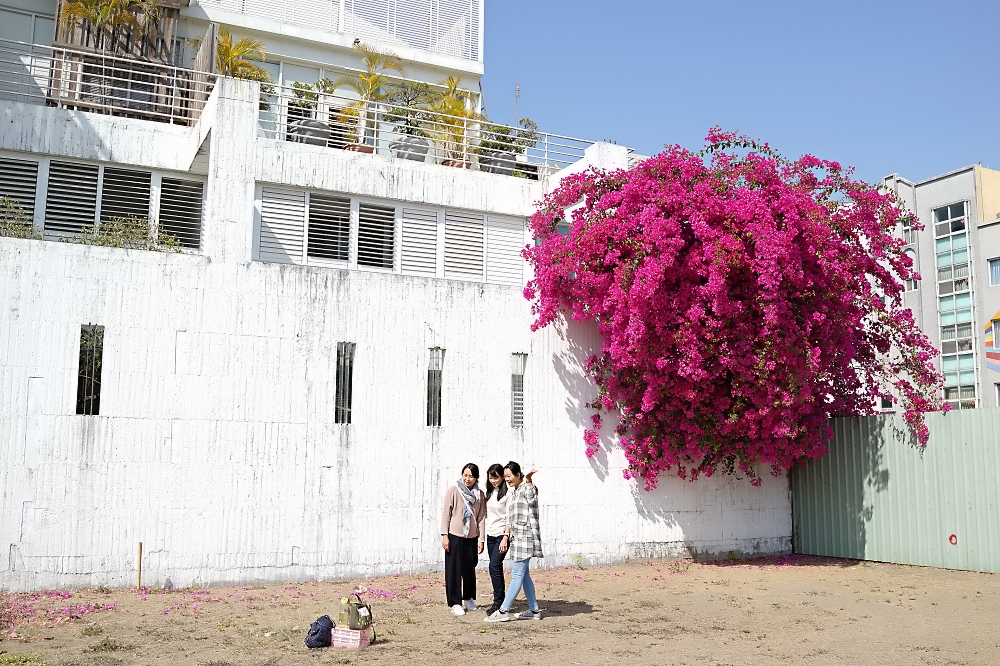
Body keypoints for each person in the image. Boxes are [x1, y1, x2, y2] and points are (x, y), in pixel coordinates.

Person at [486, 461, 542, 622]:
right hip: (517, 539)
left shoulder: (526, 488)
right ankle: (534, 610)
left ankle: (503, 611)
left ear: (518, 475)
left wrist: (529, 479)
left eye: (509, 476)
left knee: (517, 573)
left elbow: (532, 498)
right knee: (524, 576)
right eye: (505, 477)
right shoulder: (515, 491)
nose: (507, 479)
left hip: (526, 538)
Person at [440, 463, 486, 616]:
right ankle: (455, 602)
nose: (467, 479)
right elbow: (446, 514)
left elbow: (481, 518)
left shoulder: (480, 495)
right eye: (465, 475)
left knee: (469, 570)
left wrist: (481, 539)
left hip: (471, 537)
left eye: (471, 476)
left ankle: (468, 598)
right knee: (453, 570)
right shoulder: (453, 491)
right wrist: (444, 535)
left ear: (476, 478)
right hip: (454, 536)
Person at [483, 463, 510, 614]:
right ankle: (500, 600)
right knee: (496, 568)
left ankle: (498, 603)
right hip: (490, 535)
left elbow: (509, 518)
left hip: (502, 535)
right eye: (491, 477)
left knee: (494, 566)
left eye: (496, 477)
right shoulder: (489, 492)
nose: (493, 480)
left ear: (502, 477)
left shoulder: (507, 494)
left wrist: (505, 538)